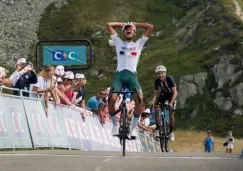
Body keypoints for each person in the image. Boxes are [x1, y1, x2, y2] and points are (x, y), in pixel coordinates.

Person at [106, 21, 153, 139]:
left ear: (134, 32)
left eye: (131, 28)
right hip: (119, 76)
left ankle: (133, 128)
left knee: (140, 100)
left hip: (132, 76)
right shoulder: (118, 42)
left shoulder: (138, 44)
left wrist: (135, 24)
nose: (128, 29)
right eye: (126, 29)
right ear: (123, 32)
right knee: (112, 99)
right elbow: (109, 25)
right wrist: (124, 24)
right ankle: (115, 124)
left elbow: (150, 27)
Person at [149, 65, 177, 141]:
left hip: (171, 94)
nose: (160, 75)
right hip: (164, 94)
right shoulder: (157, 81)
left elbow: (175, 92)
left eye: (162, 73)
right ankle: (158, 128)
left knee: (171, 113)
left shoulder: (169, 79)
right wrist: (153, 101)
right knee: (156, 110)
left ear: (165, 73)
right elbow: (155, 93)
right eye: (158, 74)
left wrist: (171, 103)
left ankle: (171, 131)